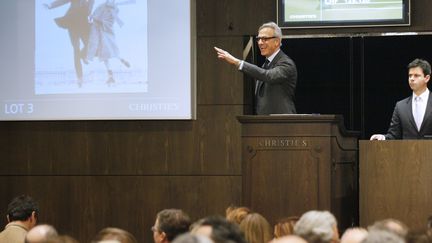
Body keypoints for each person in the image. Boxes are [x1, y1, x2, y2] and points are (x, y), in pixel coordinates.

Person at [214, 22, 297, 115]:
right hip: (264, 123)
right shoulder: (266, 64)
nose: (260, 42)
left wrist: (237, 62)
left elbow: (269, 76)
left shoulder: (286, 63)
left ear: (277, 41)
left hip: (281, 123)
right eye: (259, 39)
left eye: (265, 39)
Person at [370, 58, 432, 140]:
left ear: (426, 78)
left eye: (416, 75)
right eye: (410, 75)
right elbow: (394, 136)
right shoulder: (400, 106)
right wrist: (383, 138)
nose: (412, 78)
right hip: (407, 152)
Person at [44, 0, 95, 87]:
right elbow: (63, 1)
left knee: (90, 44)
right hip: (73, 22)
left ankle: (83, 55)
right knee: (76, 49)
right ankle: (80, 78)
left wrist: (91, 18)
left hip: (84, 24)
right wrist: (51, 5)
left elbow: (89, 9)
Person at [86, 0, 134, 85]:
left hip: (105, 34)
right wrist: (92, 18)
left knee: (110, 52)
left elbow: (107, 23)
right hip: (100, 34)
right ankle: (111, 73)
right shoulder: (102, 7)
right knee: (106, 55)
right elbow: (95, 17)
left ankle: (120, 61)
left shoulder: (113, 11)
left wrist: (94, 19)